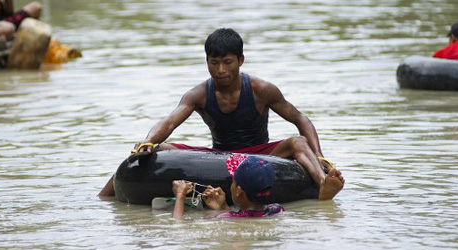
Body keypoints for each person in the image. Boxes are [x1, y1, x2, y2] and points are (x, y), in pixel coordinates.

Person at [99, 27, 345, 200]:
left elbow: (300, 119)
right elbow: (170, 121)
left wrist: (320, 155)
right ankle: (103, 197)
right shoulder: (199, 94)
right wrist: (148, 141)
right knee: (158, 149)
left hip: (259, 153)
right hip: (220, 156)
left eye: (227, 62)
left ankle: (324, 186)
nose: (220, 70)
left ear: (240, 60)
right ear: (207, 61)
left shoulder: (262, 90)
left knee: (298, 142)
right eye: (213, 62)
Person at [172, 155, 284, 219]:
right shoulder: (277, 209)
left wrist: (180, 195)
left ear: (239, 190)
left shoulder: (226, 218)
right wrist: (223, 207)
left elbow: (178, 227)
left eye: (233, 182)